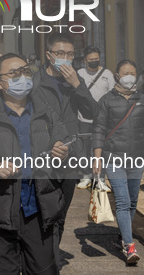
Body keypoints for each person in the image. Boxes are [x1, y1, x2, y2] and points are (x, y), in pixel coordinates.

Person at [0, 53, 70, 275]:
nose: (22, 77)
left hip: (40, 212)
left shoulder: (47, 115)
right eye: (14, 74)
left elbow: (69, 147)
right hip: (0, 213)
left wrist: (64, 151)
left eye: (26, 71)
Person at [92, 60, 144, 265]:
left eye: (133, 73)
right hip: (113, 158)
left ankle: (122, 234)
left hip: (136, 159)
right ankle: (129, 245)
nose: (129, 76)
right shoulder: (107, 100)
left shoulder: (142, 99)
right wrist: (97, 157)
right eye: (125, 73)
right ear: (117, 75)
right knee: (123, 202)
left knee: (133, 201)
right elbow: (99, 129)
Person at [33, 34, 97, 247]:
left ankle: (52, 258)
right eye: (60, 54)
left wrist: (77, 84)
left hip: (70, 156)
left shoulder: (75, 81)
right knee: (42, 213)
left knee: (61, 214)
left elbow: (93, 112)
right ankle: (41, 260)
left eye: (70, 54)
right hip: (43, 155)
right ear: (49, 55)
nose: (66, 58)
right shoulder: (35, 82)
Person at [76, 46, 115, 190]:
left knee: (101, 149)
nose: (94, 62)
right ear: (85, 59)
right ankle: (86, 176)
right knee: (85, 149)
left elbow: (112, 95)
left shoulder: (107, 74)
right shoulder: (79, 73)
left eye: (96, 59)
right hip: (84, 119)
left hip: (103, 119)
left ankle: (100, 178)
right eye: (91, 59)